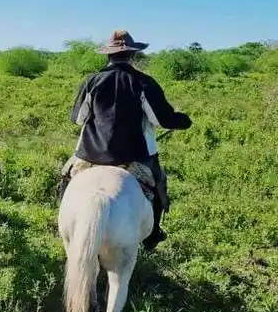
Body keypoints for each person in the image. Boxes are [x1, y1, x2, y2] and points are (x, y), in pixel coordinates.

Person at [58, 30, 192, 250]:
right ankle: (153, 233)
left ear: (108, 55)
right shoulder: (145, 82)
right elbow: (162, 119)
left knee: (66, 176)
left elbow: (78, 119)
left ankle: (64, 224)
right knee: (158, 182)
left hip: (90, 154)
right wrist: (183, 120)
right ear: (132, 55)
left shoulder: (91, 81)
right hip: (133, 156)